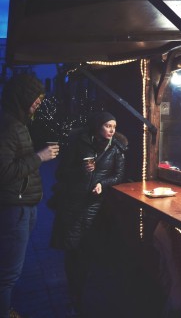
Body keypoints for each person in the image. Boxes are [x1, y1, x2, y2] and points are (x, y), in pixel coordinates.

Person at [50, 111, 127, 314]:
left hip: (96, 206)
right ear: (98, 126)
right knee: (72, 248)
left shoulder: (117, 149)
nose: (111, 130)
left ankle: (82, 292)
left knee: (87, 248)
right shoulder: (79, 143)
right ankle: (73, 291)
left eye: (114, 126)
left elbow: (118, 175)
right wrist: (81, 170)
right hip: (73, 204)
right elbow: (60, 173)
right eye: (108, 126)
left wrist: (103, 183)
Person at [0, 74, 59, 318]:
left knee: (12, 269)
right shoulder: (9, 126)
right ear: (22, 97)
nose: (37, 103)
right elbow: (4, 172)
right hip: (15, 207)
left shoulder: (19, 122)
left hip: (24, 204)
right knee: (8, 273)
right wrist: (40, 157)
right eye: (35, 99)